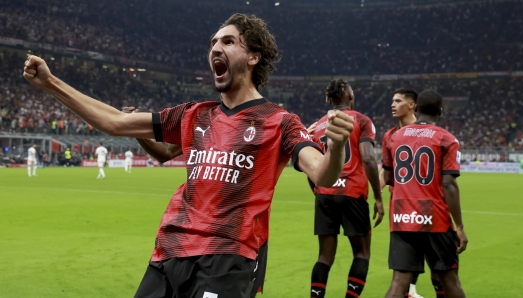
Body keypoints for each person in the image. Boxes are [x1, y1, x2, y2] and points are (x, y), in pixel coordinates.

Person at [24, 13, 354, 298]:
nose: (215, 48)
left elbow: (322, 173)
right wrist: (51, 82)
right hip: (169, 252)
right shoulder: (193, 115)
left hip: (228, 257)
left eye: (228, 41)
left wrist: (336, 146)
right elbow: (114, 122)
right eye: (213, 42)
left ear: (253, 56)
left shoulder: (280, 122)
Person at [124, 105, 268, 298]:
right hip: (181, 237)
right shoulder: (204, 119)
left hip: (231, 244)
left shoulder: (269, 121)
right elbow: (165, 151)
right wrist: (138, 130)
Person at [382, 90, 468, 298]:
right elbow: (449, 184)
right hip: (435, 218)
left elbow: (389, 178)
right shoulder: (447, 139)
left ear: (417, 108)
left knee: (399, 282)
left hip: (402, 217)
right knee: (449, 280)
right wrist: (460, 226)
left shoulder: (395, 137)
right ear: (440, 111)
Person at [307, 79, 384, 298]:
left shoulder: (319, 125)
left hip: (325, 194)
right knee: (361, 253)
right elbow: (368, 159)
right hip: (352, 193)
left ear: (330, 99)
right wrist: (378, 198)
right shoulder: (361, 120)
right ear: (349, 95)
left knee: (324, 257)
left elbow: (311, 167)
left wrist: (317, 189)